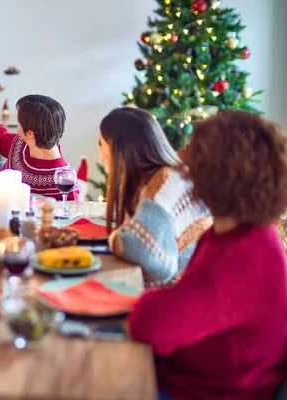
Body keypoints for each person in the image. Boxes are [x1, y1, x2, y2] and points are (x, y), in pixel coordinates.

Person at [129, 110, 287, 399]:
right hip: (194, 373)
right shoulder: (245, 231)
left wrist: (153, 301)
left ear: (216, 175)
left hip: (204, 392)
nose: (183, 161)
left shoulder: (242, 258)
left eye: (193, 156)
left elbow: (149, 326)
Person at [98, 107, 211, 285]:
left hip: (190, 290)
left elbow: (139, 248)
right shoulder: (163, 176)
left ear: (118, 149)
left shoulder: (165, 183)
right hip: (194, 283)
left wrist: (114, 240)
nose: (100, 150)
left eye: (101, 143)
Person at [0, 94, 80, 200]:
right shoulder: (21, 144)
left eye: (18, 122)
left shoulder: (64, 180)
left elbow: (70, 212)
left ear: (30, 133)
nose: (17, 126)